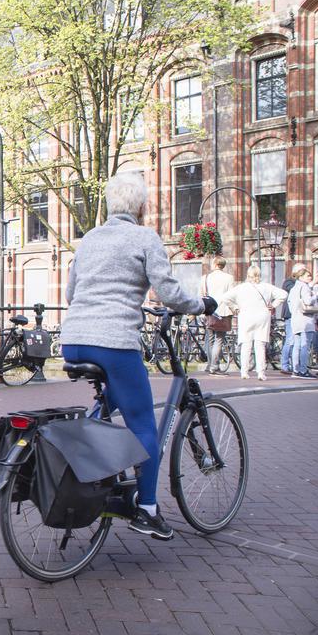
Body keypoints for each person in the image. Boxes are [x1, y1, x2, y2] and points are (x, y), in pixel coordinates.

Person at [60, 172, 213, 541]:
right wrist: (201, 304)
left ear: (111, 205)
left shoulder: (90, 238)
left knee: (115, 397)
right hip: (112, 342)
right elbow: (169, 291)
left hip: (73, 341)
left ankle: (91, 444)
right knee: (143, 423)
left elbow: (71, 292)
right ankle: (146, 509)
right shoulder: (145, 237)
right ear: (142, 207)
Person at [219, 265, 287, 381]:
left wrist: (235, 307)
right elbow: (284, 294)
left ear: (248, 275)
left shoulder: (241, 288)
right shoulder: (266, 287)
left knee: (246, 345)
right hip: (262, 317)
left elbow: (225, 297)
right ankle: (261, 373)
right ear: (259, 275)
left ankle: (244, 372)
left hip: (246, 317)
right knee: (260, 346)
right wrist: (274, 305)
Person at [200, 256, 235, 375]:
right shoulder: (229, 278)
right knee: (219, 339)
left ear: (214, 264)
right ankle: (214, 366)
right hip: (223, 311)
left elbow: (201, 295)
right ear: (223, 265)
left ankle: (210, 364)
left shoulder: (205, 278)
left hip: (209, 310)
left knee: (209, 339)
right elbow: (231, 295)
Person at [288, 268, 317, 379]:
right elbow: (308, 301)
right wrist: (316, 296)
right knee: (305, 346)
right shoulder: (304, 287)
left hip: (295, 320)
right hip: (306, 320)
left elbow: (290, 304)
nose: (310, 277)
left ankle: (295, 370)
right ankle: (303, 370)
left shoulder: (294, 288)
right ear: (301, 277)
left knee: (297, 346)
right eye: (307, 276)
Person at [279, 264, 306, 374]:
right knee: (290, 340)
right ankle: (285, 365)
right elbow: (292, 291)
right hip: (290, 315)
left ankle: (295, 364)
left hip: (299, 316)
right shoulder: (289, 282)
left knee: (297, 342)